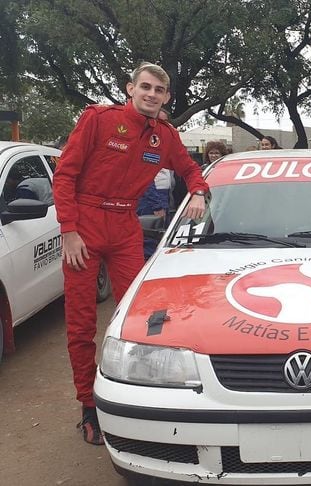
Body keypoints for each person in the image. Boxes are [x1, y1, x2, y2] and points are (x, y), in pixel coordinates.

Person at [52, 62, 209, 445]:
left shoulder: (164, 136)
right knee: (81, 320)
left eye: (159, 90)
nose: (151, 94)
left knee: (138, 318)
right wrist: (69, 231)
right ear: (130, 88)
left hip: (125, 227)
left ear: (166, 97)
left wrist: (201, 192)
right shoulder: (98, 120)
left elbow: (190, 169)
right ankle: (88, 404)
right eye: (146, 87)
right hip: (84, 227)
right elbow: (65, 175)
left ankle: (139, 394)